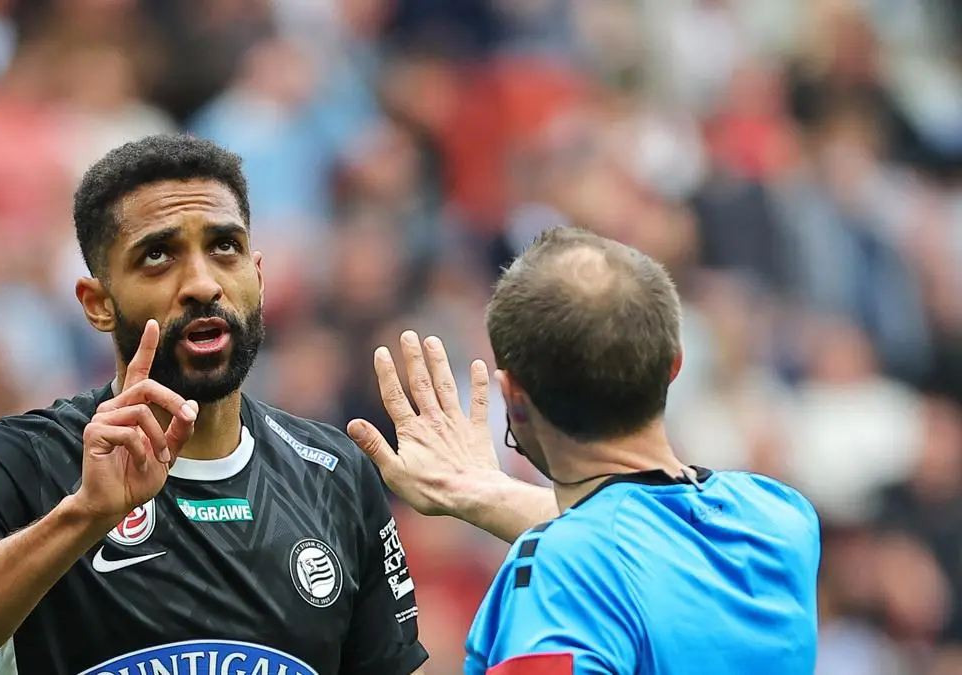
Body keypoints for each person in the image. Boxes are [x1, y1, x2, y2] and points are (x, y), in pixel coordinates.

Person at [0, 134, 558, 675]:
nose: (201, 283)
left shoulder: (335, 475)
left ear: (257, 274)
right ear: (97, 303)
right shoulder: (19, 459)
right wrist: (83, 515)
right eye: (158, 256)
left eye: (224, 248)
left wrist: (492, 499)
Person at [351, 227, 821, 674]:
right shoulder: (781, 517)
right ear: (673, 365)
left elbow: (604, 544)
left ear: (514, 399)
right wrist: (484, 492)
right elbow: (637, 536)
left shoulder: (554, 577)